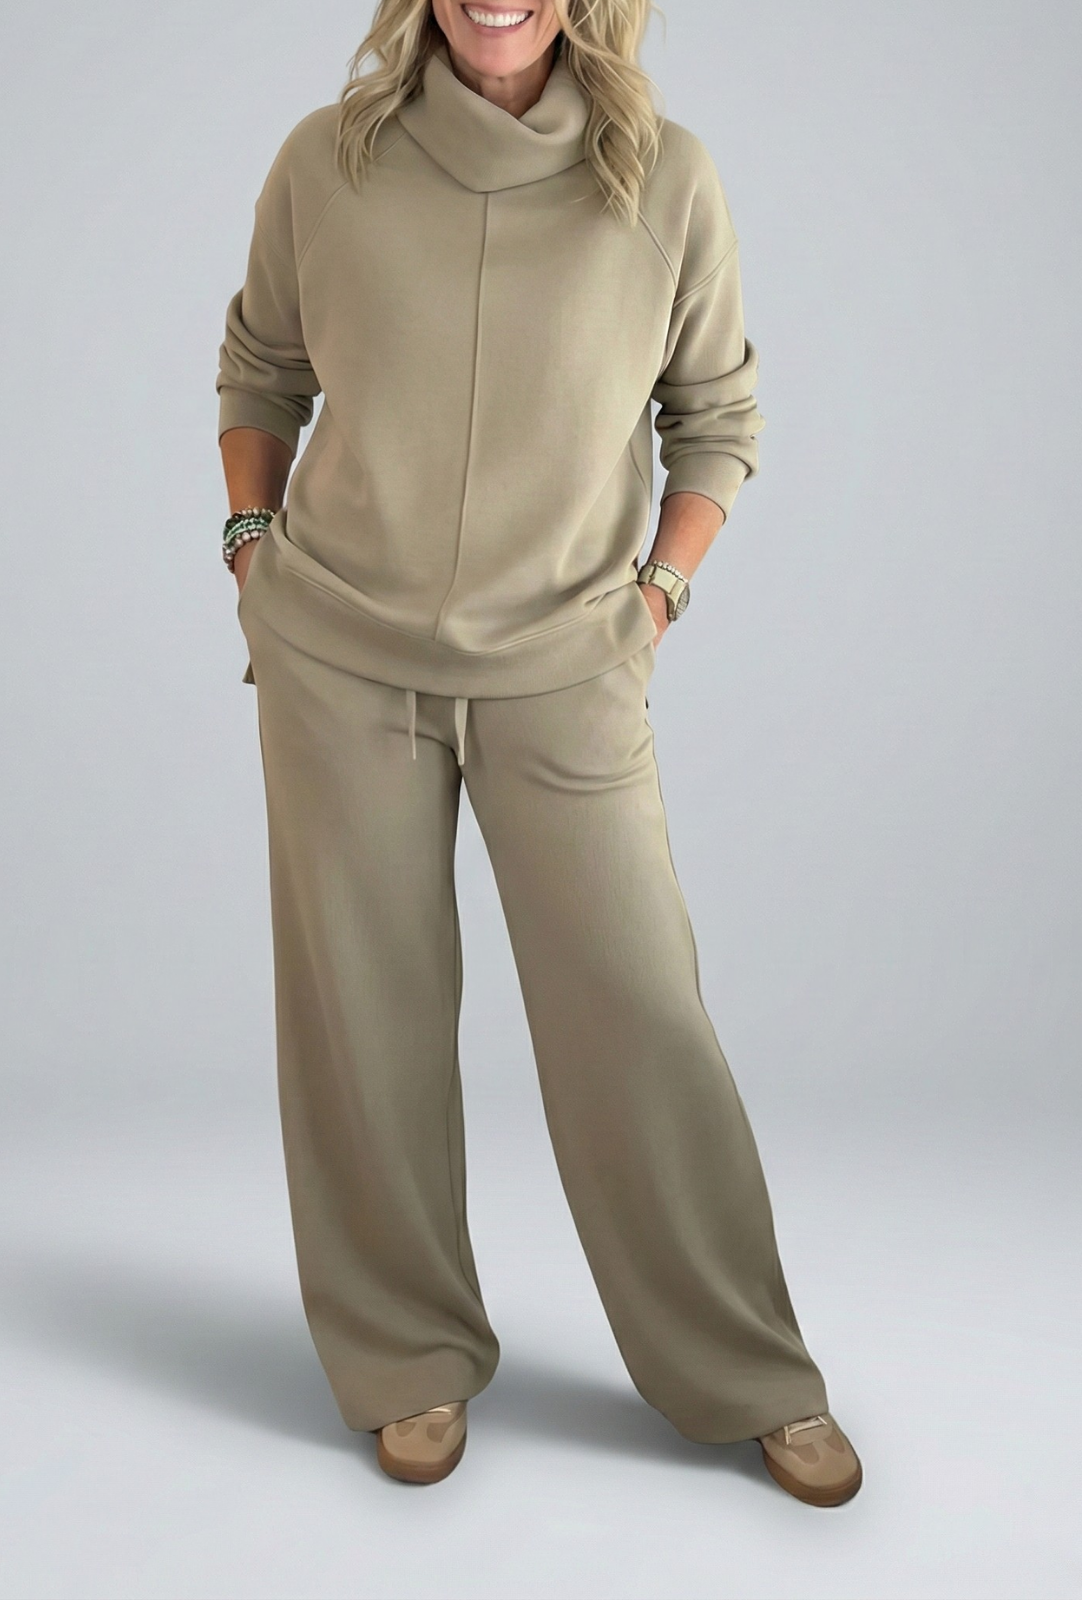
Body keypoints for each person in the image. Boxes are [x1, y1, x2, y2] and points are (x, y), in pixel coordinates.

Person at [215, 0, 862, 1507]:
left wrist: (657, 596)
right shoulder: (326, 162)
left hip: (567, 661)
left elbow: (716, 418)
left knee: (636, 1012)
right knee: (362, 1022)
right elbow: (260, 368)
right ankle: (405, 1357)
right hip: (339, 656)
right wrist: (251, 546)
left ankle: (746, 1369)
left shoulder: (665, 176)